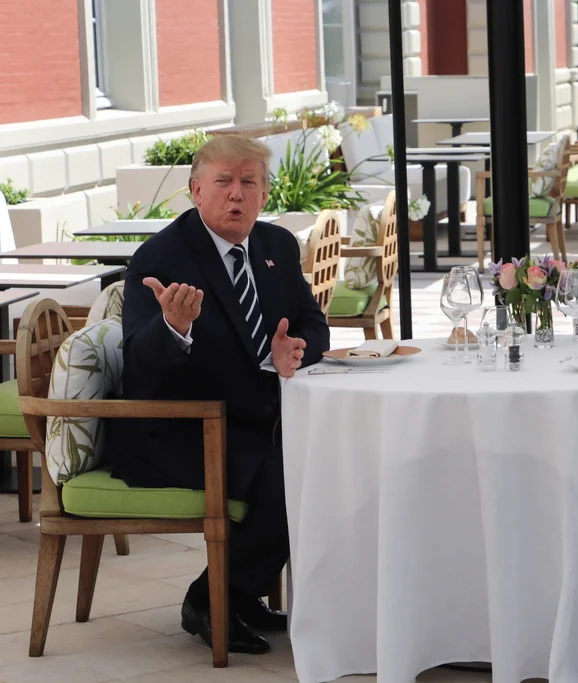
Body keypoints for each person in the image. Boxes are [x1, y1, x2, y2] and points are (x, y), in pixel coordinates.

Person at [103, 135, 330, 654]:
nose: (236, 195)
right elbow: (140, 370)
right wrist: (172, 327)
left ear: (265, 194)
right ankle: (210, 600)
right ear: (195, 190)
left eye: (248, 182)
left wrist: (294, 350)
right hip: (181, 428)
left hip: (257, 416)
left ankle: (238, 594)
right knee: (291, 473)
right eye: (223, 182)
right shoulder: (160, 257)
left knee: (328, 458)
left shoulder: (276, 246)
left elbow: (314, 323)